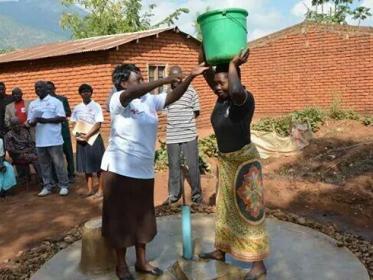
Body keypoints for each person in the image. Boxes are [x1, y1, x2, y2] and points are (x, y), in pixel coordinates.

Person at [101, 63, 208, 280]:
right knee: (120, 218)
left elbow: (173, 96)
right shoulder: (118, 99)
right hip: (119, 169)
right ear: (123, 83)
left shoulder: (149, 101)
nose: (142, 82)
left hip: (143, 170)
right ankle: (121, 265)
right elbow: (133, 92)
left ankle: (142, 261)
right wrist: (164, 80)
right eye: (138, 79)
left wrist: (190, 77)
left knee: (142, 218)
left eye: (142, 79)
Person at [198, 48, 270, 280]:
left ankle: (258, 265)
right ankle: (221, 250)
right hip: (228, 163)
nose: (218, 87)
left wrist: (232, 64)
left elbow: (236, 90)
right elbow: (203, 65)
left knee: (249, 211)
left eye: (223, 83)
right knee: (225, 207)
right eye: (216, 84)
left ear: (235, 78)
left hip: (245, 163)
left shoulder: (243, 99)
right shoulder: (222, 96)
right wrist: (207, 45)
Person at [163, 65, 202, 205]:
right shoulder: (166, 93)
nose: (176, 80)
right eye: (173, 77)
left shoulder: (191, 91)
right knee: (174, 166)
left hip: (189, 134)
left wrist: (186, 124)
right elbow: (166, 113)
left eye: (178, 76)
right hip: (172, 135)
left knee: (193, 165)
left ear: (182, 76)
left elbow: (196, 112)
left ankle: (197, 195)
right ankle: (174, 195)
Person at [27, 81, 70, 197]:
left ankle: (64, 185)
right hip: (40, 140)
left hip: (54, 139)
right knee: (44, 165)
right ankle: (47, 186)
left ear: (47, 89)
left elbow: (62, 117)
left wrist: (45, 120)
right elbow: (29, 121)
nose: (38, 89)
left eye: (40, 87)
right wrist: (32, 122)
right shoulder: (33, 104)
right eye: (36, 87)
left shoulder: (55, 102)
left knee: (59, 164)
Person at [71, 84, 105, 197]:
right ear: (80, 94)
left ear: (91, 93)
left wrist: (88, 135)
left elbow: (98, 123)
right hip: (82, 139)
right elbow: (74, 122)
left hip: (94, 139)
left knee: (98, 166)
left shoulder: (96, 106)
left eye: (88, 91)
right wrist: (78, 134)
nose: (85, 93)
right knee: (86, 166)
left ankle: (100, 190)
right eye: (83, 91)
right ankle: (90, 190)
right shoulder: (77, 108)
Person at [46, 81, 75, 182]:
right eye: (47, 89)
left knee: (68, 152)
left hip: (63, 129)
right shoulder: (45, 102)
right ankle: (56, 176)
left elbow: (68, 112)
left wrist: (58, 114)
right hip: (51, 131)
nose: (49, 91)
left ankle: (71, 173)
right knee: (55, 154)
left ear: (54, 88)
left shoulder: (62, 99)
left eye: (51, 88)